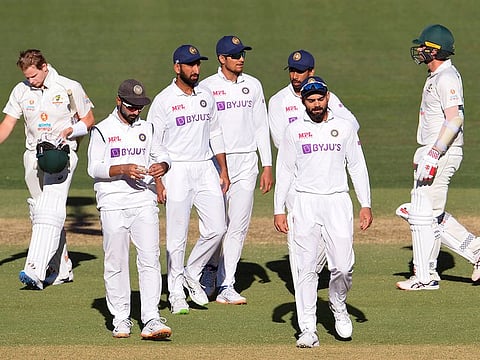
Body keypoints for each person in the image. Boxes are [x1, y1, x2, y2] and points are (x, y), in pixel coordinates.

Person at [274, 76, 373, 347]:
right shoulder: (294, 130)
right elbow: (284, 171)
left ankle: (338, 304)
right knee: (305, 268)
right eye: (310, 100)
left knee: (342, 265)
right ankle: (307, 328)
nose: (316, 104)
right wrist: (278, 209)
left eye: (320, 99)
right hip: (305, 202)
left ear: (327, 98)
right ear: (304, 102)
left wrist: (366, 204)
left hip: (337, 201)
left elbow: (357, 166)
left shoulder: (344, 128)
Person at [0, 49, 94, 290]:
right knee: (43, 212)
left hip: (60, 156)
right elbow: (8, 123)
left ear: (44, 67)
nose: (30, 81)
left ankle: (36, 269)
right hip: (33, 156)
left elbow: (89, 119)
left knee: (47, 210)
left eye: (33, 76)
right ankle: (62, 269)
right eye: (27, 77)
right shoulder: (21, 90)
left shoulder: (68, 86)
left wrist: (72, 132)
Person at [395, 24, 480, 290]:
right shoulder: (437, 76)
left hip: (443, 152)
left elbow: (455, 119)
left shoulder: (446, 78)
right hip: (435, 151)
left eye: (423, 46)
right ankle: (472, 253)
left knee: (425, 215)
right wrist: (425, 151)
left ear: (434, 50)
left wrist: (433, 154)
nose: (418, 50)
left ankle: (426, 275)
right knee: (429, 213)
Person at [146, 45, 230, 315]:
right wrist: (158, 181)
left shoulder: (206, 95)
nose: (195, 70)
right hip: (176, 169)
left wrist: (223, 170)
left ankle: (190, 273)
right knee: (176, 237)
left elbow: (215, 133)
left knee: (218, 228)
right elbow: (153, 144)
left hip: (206, 167)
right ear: (177, 67)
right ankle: (176, 295)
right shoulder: (163, 100)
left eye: (198, 65)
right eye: (190, 65)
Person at [268, 49, 360, 293]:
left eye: (300, 71)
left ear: (311, 71)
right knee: (297, 240)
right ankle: (303, 287)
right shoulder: (278, 101)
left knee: (329, 239)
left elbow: (352, 124)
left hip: (326, 179)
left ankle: (315, 275)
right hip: (296, 180)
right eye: (292, 70)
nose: (295, 76)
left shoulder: (326, 96)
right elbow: (281, 142)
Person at [87, 79, 172, 339]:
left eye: (139, 107)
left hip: (143, 200)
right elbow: (94, 168)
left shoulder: (148, 128)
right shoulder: (102, 130)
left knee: (149, 258)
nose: (136, 111)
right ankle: (121, 318)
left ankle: (151, 318)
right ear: (118, 102)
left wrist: (162, 170)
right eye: (131, 106)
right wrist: (122, 169)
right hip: (112, 202)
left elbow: (162, 155)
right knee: (116, 262)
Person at [200, 35, 274, 305]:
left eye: (243, 54)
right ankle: (205, 270)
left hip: (246, 163)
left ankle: (226, 284)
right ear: (222, 59)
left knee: (238, 226)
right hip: (215, 163)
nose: (241, 58)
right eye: (235, 55)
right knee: (215, 226)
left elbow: (260, 126)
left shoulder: (253, 85)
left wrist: (267, 164)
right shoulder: (206, 87)